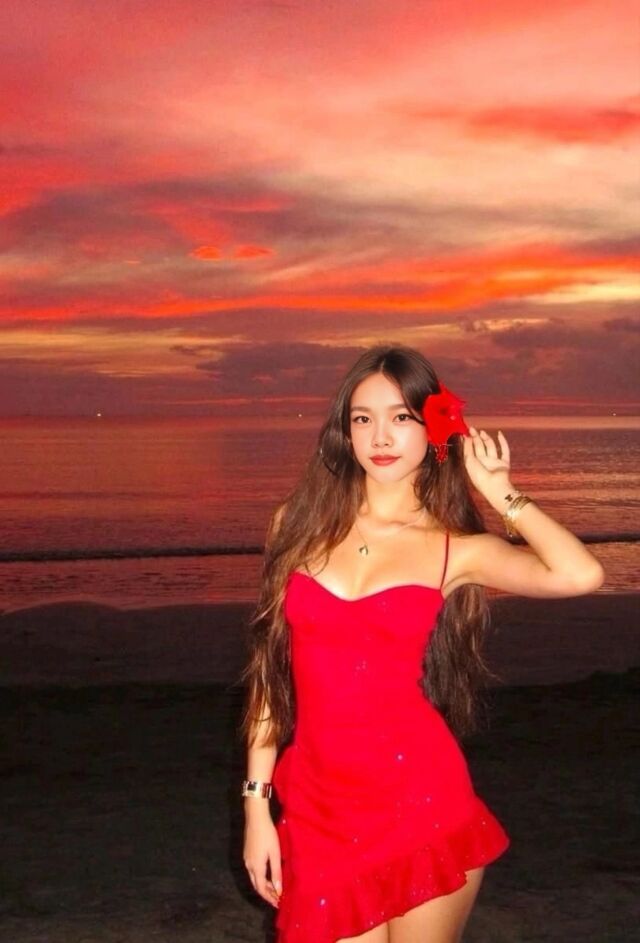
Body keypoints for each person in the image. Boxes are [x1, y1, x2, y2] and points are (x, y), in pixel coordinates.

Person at [239, 344, 604, 943]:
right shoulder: (295, 526)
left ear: (433, 430)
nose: (380, 436)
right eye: (363, 418)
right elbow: (270, 675)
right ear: (344, 431)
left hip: (420, 797)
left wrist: (502, 494)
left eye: (401, 417)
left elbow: (579, 574)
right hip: (317, 806)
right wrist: (256, 804)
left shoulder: (454, 548)